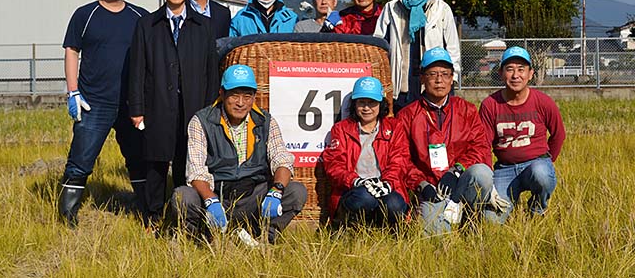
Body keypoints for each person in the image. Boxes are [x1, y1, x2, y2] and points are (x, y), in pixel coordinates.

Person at [171, 64, 307, 244]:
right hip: (217, 196)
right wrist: (211, 201)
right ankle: (202, 238)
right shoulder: (202, 121)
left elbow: (281, 158)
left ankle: (263, 238)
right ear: (222, 93)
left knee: (296, 192)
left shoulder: (266, 121)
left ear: (254, 97)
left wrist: (277, 190)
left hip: (253, 196)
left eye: (247, 96)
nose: (241, 103)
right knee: (183, 196)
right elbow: (195, 171)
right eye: (234, 95)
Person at [128, 0, 219, 227]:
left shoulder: (203, 26)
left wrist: (210, 108)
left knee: (187, 160)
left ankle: (182, 214)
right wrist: (137, 108)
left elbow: (210, 72)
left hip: (193, 106)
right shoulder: (147, 25)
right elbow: (137, 69)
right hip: (158, 104)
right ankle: (153, 215)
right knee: (156, 161)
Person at [58, 0, 147, 227]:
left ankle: (145, 208)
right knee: (81, 158)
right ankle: (67, 215)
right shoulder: (85, 15)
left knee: (138, 157)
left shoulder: (140, 17)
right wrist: (73, 92)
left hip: (132, 103)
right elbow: (72, 51)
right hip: (93, 102)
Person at [398, 47, 508, 235]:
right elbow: (401, 158)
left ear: (452, 78)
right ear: (422, 78)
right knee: (434, 238)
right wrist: (421, 184)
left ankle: (471, 214)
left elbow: (480, 148)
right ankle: (444, 215)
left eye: (444, 74)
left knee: (481, 173)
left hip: (461, 182)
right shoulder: (407, 115)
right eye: (432, 74)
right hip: (433, 189)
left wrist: (457, 170)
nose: (439, 80)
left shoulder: (467, 110)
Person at [479, 46, 566, 223]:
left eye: (521, 69)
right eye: (510, 69)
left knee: (541, 174)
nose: (515, 75)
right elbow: (483, 145)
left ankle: (537, 208)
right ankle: (510, 200)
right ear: (501, 73)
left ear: (530, 73)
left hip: (535, 163)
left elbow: (559, 134)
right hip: (504, 169)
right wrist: (489, 181)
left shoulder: (543, 102)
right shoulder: (490, 104)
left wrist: (548, 162)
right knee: (490, 222)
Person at [374, 0, 460, 114]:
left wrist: (451, 80)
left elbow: (452, 48)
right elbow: (378, 46)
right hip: (401, 87)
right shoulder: (392, 8)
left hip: (433, 85)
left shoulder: (441, 8)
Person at [322, 77, 408, 228]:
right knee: (365, 197)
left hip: (384, 187)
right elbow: (334, 166)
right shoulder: (341, 129)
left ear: (380, 104)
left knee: (394, 203)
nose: (366, 108)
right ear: (354, 104)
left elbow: (400, 159)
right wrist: (357, 181)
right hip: (354, 190)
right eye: (361, 102)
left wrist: (387, 183)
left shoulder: (395, 127)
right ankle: (350, 228)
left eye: (372, 103)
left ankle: (385, 231)